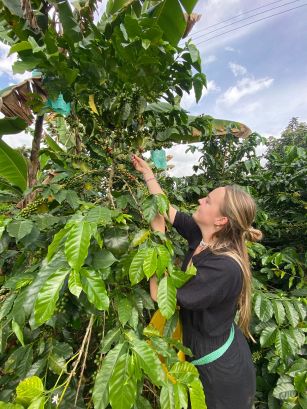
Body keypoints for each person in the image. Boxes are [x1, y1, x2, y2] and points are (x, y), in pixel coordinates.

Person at [131, 153, 262, 409]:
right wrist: (147, 174)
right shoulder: (202, 236)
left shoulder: (224, 268)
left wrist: (158, 237)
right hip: (204, 353)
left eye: (208, 200)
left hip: (221, 374)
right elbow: (167, 210)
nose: (201, 199)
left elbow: (161, 296)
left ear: (221, 220)